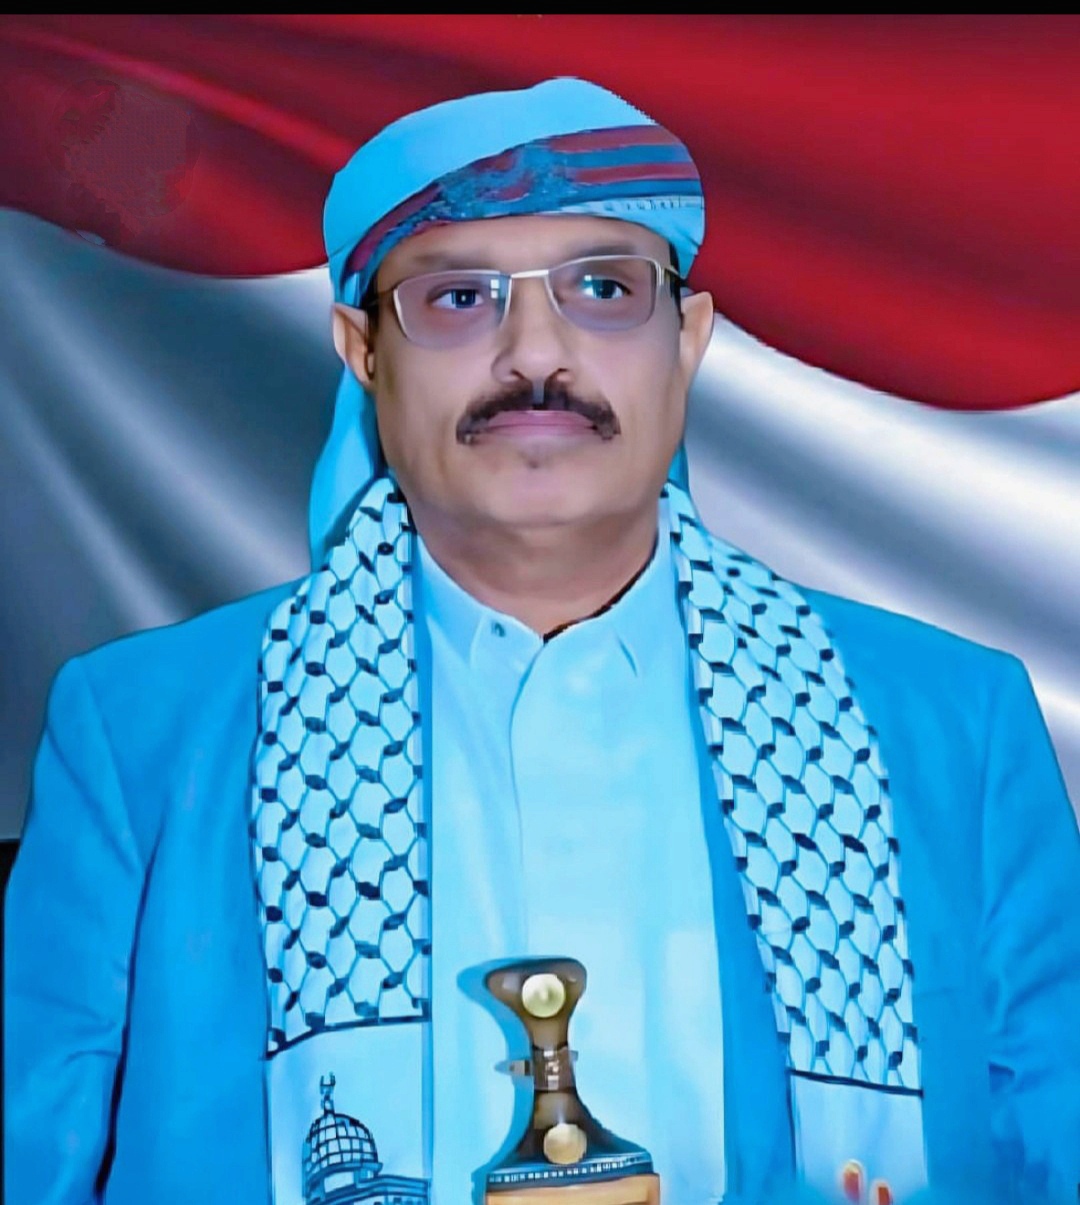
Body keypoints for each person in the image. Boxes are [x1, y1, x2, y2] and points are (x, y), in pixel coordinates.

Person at [5, 77, 1079, 1205]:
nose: (535, 353)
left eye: (604, 288)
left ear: (689, 339)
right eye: (458, 298)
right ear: (364, 352)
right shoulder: (143, 736)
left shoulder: (952, 728)